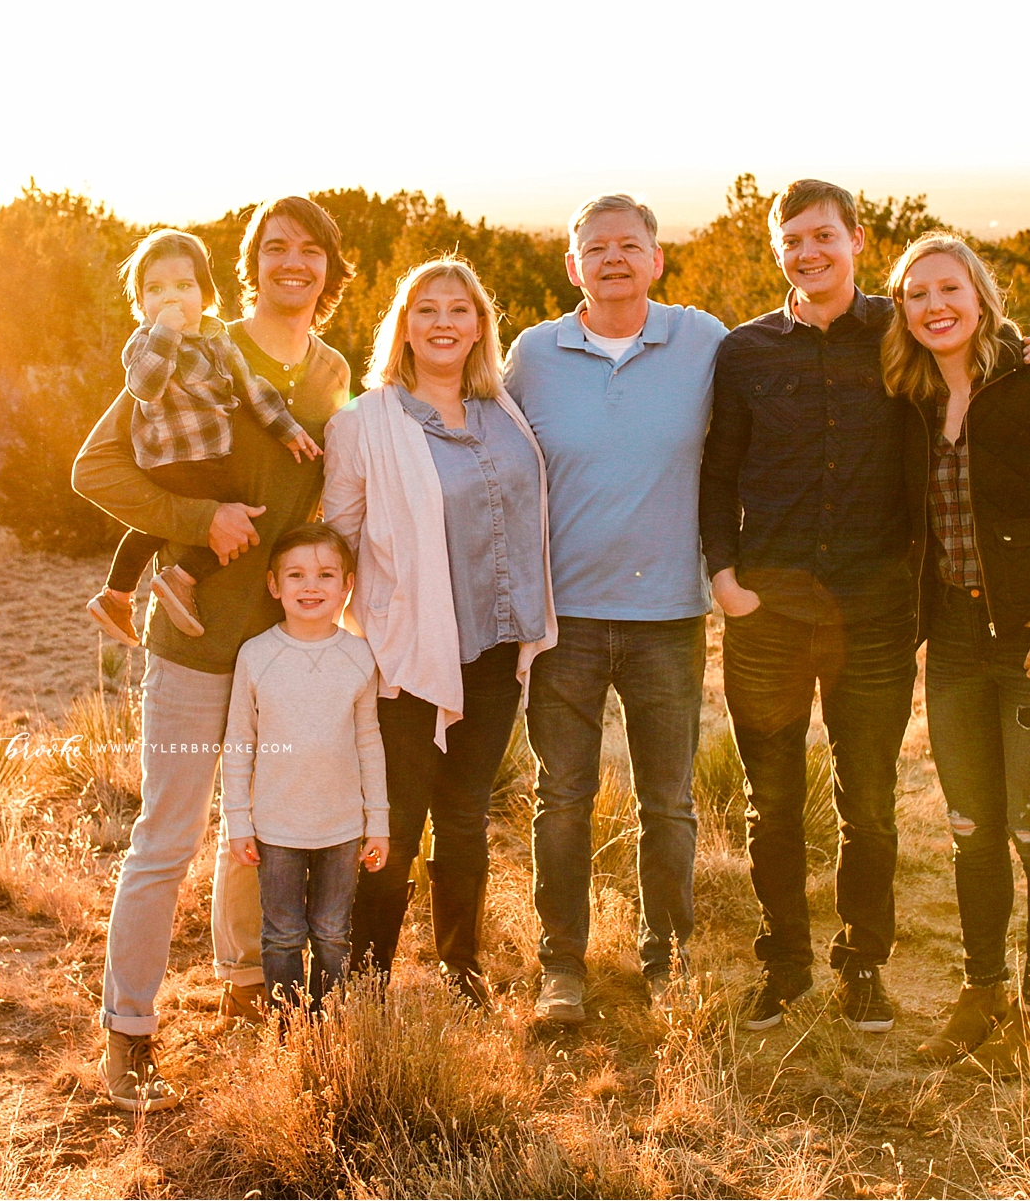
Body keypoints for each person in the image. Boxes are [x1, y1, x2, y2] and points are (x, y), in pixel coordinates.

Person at [699, 179, 1030, 1034]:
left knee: (867, 799)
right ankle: (785, 963)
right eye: (792, 239)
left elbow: (979, 349)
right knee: (771, 797)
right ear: (777, 251)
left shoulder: (899, 331)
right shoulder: (744, 352)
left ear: (857, 240)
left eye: (823, 236)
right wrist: (722, 574)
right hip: (766, 612)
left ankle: (862, 963)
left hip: (876, 611)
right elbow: (717, 469)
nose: (809, 252)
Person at [73, 195, 353, 1112]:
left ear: (330, 269)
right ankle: (129, 1035)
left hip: (284, 645)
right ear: (251, 264)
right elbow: (97, 468)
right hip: (195, 644)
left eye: (310, 252)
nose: (292, 264)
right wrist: (198, 525)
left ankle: (243, 987)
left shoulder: (331, 370)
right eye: (275, 249)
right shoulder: (198, 344)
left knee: (262, 829)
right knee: (167, 838)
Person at [884, 233, 1030, 1073]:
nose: (934, 306)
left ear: (981, 296)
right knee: (972, 830)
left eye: (949, 289)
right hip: (953, 643)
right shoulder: (909, 397)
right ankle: (982, 991)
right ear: (902, 311)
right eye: (916, 295)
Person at [501, 193, 726, 1025]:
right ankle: (562, 964)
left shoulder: (703, 341)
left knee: (668, 800)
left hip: (670, 614)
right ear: (574, 267)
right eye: (597, 248)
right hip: (566, 621)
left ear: (658, 259)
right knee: (563, 795)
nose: (614, 259)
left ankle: (669, 959)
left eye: (631, 246)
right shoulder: (533, 355)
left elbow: (814, 336)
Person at [322, 255, 557, 1008]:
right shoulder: (364, 423)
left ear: (481, 325)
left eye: (460, 309)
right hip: (407, 657)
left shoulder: (504, 412)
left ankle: (462, 974)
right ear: (404, 326)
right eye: (427, 309)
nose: (445, 322)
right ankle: (368, 983)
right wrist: (361, 636)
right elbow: (338, 539)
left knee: (465, 818)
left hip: (493, 646)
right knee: (393, 826)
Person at [86, 229, 320, 648]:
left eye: (183, 286)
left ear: (205, 294)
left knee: (151, 530)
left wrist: (288, 429)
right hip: (170, 457)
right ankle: (181, 578)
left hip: (208, 455)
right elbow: (145, 386)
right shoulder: (145, 343)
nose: (170, 298)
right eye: (155, 290)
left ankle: (116, 596)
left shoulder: (218, 339)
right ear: (141, 304)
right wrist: (165, 333)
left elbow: (252, 389)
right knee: (243, 517)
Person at [222, 523, 390, 1014]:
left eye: (324, 574)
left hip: (341, 827)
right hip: (276, 828)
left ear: (347, 584)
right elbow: (239, 743)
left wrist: (376, 822)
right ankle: (288, 1033)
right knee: (281, 936)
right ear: (274, 586)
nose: (310, 586)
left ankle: (328, 1031)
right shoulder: (257, 656)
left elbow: (368, 741)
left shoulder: (359, 656)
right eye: (295, 575)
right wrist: (238, 819)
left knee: (334, 934)